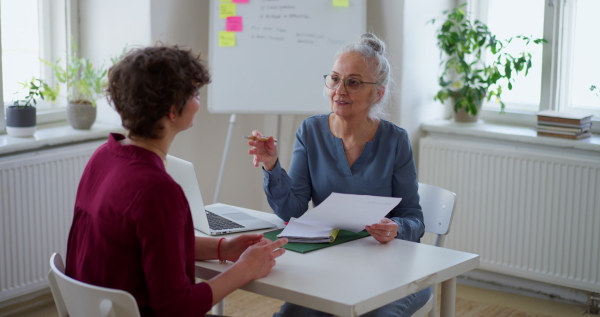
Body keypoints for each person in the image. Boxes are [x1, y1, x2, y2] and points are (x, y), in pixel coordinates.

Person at [65, 45, 287, 317]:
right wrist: (245, 270)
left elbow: (153, 247)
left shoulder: (104, 156)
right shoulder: (158, 191)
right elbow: (177, 308)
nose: (198, 101)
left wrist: (223, 248)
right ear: (172, 110)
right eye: (194, 93)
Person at [247, 33, 431, 317]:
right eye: (334, 78)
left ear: (378, 93)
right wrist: (272, 165)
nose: (339, 90)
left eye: (353, 82)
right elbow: (292, 209)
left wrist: (395, 228)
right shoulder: (311, 131)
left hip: (394, 270)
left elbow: (414, 218)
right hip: (331, 265)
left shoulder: (396, 140)